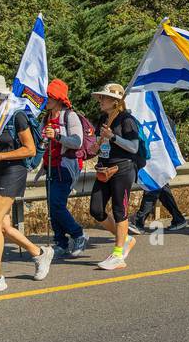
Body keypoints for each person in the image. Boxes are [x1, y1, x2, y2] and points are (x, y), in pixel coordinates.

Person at [0, 74, 54, 294]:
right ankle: (40, 253)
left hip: (14, 171)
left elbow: (30, 150)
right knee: (3, 226)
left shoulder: (17, 115)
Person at [86, 83, 144, 269]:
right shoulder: (103, 118)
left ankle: (118, 254)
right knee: (96, 209)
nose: (100, 101)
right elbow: (98, 142)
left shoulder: (127, 120)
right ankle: (125, 238)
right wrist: (95, 146)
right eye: (100, 97)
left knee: (120, 211)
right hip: (104, 169)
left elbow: (133, 147)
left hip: (123, 169)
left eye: (104, 97)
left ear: (115, 101)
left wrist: (113, 137)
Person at [36, 79, 91, 258]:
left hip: (66, 166)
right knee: (52, 207)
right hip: (51, 166)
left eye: (50, 96)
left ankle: (78, 234)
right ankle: (60, 242)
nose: (46, 99)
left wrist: (57, 136)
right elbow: (43, 142)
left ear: (59, 98)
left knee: (57, 204)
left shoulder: (70, 116)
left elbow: (77, 142)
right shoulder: (46, 118)